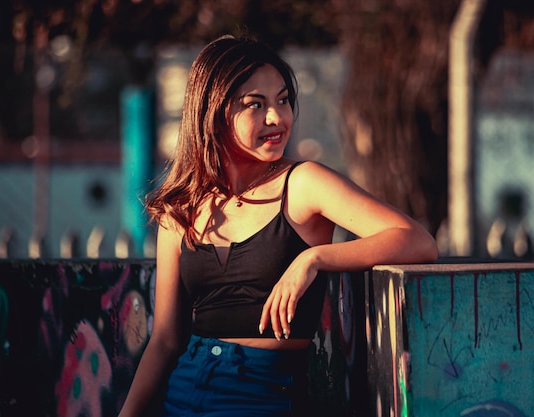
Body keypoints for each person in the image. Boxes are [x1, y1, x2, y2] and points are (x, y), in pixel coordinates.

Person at [118, 35, 438, 417]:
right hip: (184, 390)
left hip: (262, 395)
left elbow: (417, 241)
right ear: (213, 110)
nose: (277, 118)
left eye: (283, 100)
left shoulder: (304, 183)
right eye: (256, 104)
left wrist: (314, 258)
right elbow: (166, 340)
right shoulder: (181, 208)